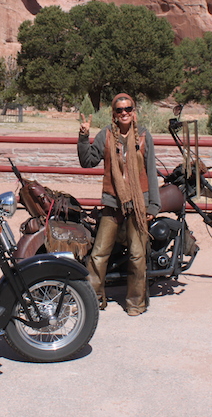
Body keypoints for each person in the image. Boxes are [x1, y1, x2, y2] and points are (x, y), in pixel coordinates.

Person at [77, 93, 160, 316]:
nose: (124, 113)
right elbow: (88, 161)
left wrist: (153, 205)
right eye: (119, 110)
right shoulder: (105, 135)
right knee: (98, 255)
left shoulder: (143, 136)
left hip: (138, 203)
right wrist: (84, 137)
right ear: (113, 114)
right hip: (112, 203)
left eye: (128, 109)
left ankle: (135, 304)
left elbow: (151, 171)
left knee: (137, 255)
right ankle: (93, 302)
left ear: (134, 111)